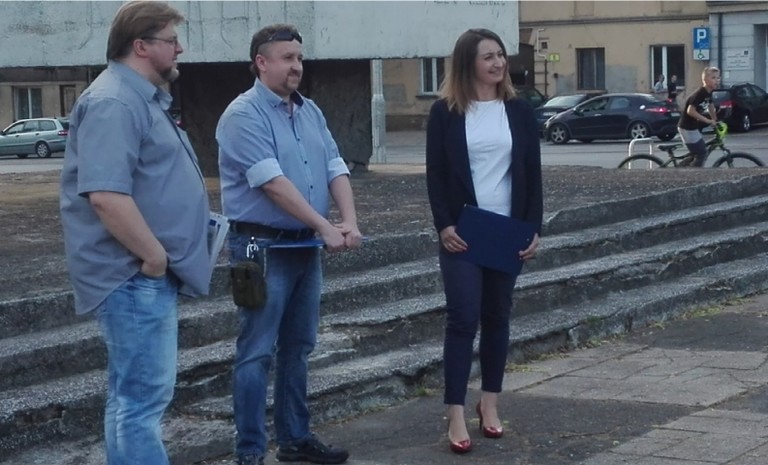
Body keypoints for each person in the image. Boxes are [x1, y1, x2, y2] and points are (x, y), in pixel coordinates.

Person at [59, 2, 211, 464]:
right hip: (133, 276)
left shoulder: (138, 99)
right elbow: (106, 195)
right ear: (141, 46)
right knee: (141, 404)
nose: (180, 48)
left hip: (138, 276)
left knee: (131, 400)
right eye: (171, 40)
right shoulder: (115, 102)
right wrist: (154, 258)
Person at [216, 23, 363, 465]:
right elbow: (272, 183)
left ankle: (295, 439)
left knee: (299, 347)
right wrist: (323, 226)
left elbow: (336, 166)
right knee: (256, 352)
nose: (297, 66)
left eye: (299, 58)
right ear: (261, 63)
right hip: (260, 248)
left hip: (303, 248)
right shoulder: (242, 115)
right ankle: (250, 452)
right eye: (287, 58)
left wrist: (349, 221)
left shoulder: (309, 110)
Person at [425, 28, 543, 454]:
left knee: (497, 316)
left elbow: (532, 174)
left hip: (506, 231)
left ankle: (489, 404)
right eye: (488, 56)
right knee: (462, 317)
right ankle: (455, 411)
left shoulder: (519, 110)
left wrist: (533, 228)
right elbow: (436, 174)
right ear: (467, 63)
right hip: (464, 230)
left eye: (500, 55)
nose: (498, 63)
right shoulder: (445, 112)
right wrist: (444, 225)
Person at [677, 66, 720, 167]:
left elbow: (710, 105)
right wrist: (707, 120)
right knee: (702, 153)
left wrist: (715, 120)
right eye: (713, 78)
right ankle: (695, 174)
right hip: (687, 128)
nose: (717, 80)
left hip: (693, 127)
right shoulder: (700, 93)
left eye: (718, 78)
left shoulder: (708, 92)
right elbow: (690, 111)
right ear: (705, 80)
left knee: (696, 153)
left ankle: (681, 169)